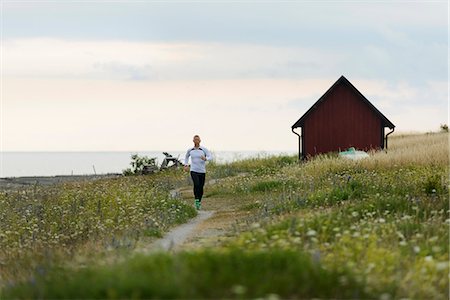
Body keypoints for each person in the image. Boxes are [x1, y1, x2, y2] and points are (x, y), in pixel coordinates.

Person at [184, 135, 212, 210]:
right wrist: (186, 165)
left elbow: (210, 157)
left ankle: (199, 201)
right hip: (193, 170)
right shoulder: (190, 150)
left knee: (201, 187)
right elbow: (186, 157)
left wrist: (206, 158)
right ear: (193, 141)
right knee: (196, 184)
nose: (196, 141)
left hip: (202, 171)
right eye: (195, 139)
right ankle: (196, 200)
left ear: (200, 141)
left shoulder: (204, 149)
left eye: (197, 139)